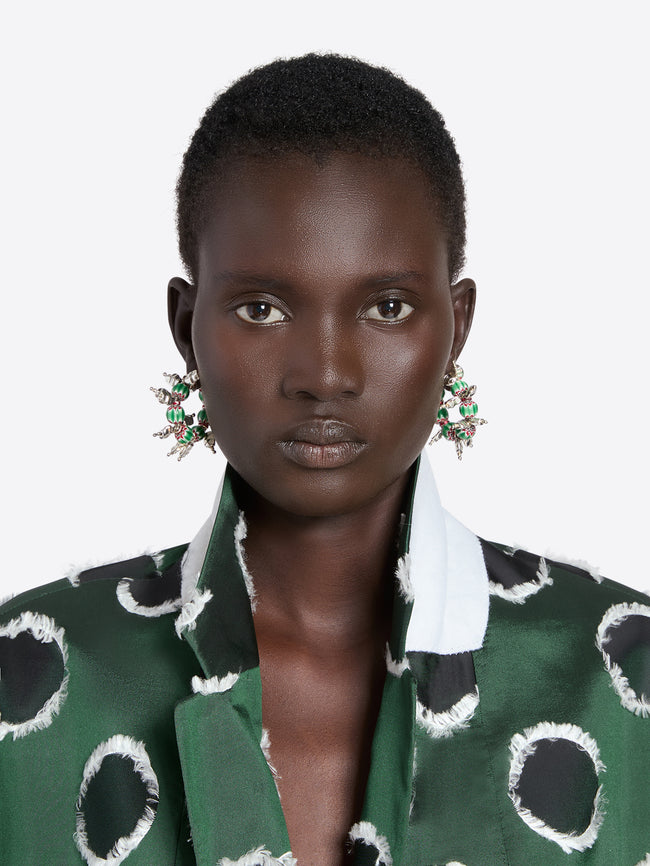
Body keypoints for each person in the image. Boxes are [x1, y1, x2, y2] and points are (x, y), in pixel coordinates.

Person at [0, 53, 648, 866]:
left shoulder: (624, 673)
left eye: (387, 306)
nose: (326, 375)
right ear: (186, 325)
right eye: (262, 308)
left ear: (458, 325)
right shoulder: (27, 675)